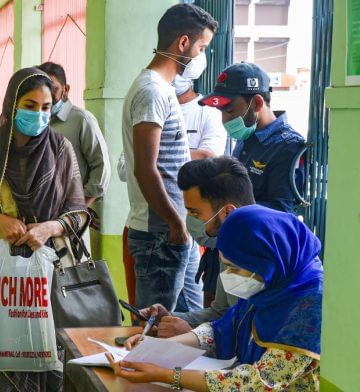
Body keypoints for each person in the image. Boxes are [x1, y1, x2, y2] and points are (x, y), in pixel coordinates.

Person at [0, 67, 89, 391]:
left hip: (53, 272)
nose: (39, 114)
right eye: (30, 105)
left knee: (48, 353)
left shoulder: (60, 150)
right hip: (5, 272)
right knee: (6, 348)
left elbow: (78, 214)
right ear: (12, 104)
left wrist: (49, 228)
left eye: (46, 107)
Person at [110, 205, 322, 391]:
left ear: (266, 261)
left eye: (234, 268)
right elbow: (221, 329)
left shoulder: (312, 305)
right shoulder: (271, 286)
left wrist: (165, 375)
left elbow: (259, 382)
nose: (227, 275)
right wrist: (158, 348)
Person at [122, 3, 217, 312]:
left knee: (187, 319)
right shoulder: (151, 91)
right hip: (160, 234)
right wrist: (175, 222)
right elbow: (145, 169)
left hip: (175, 229)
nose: (201, 56)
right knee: (153, 326)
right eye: (201, 47)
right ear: (183, 43)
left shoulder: (163, 90)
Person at [138, 157, 253, 339]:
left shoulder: (264, 254)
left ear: (228, 212)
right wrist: (169, 319)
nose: (189, 220)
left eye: (194, 212)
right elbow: (220, 312)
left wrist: (195, 336)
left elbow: (251, 330)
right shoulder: (229, 245)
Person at [199, 62, 306, 213]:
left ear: (256, 103)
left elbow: (282, 212)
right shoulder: (247, 134)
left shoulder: (289, 147)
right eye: (221, 112)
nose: (225, 120)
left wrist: (229, 207)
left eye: (230, 110)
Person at [37, 61, 110, 207]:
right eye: (42, 89)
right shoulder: (36, 122)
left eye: (53, 89)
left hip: (71, 215)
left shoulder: (82, 120)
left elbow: (101, 168)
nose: (47, 95)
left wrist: (78, 208)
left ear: (66, 89)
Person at [173, 74, 227, 159]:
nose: (174, 76)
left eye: (180, 72)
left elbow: (208, 159)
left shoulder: (211, 111)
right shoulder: (156, 107)